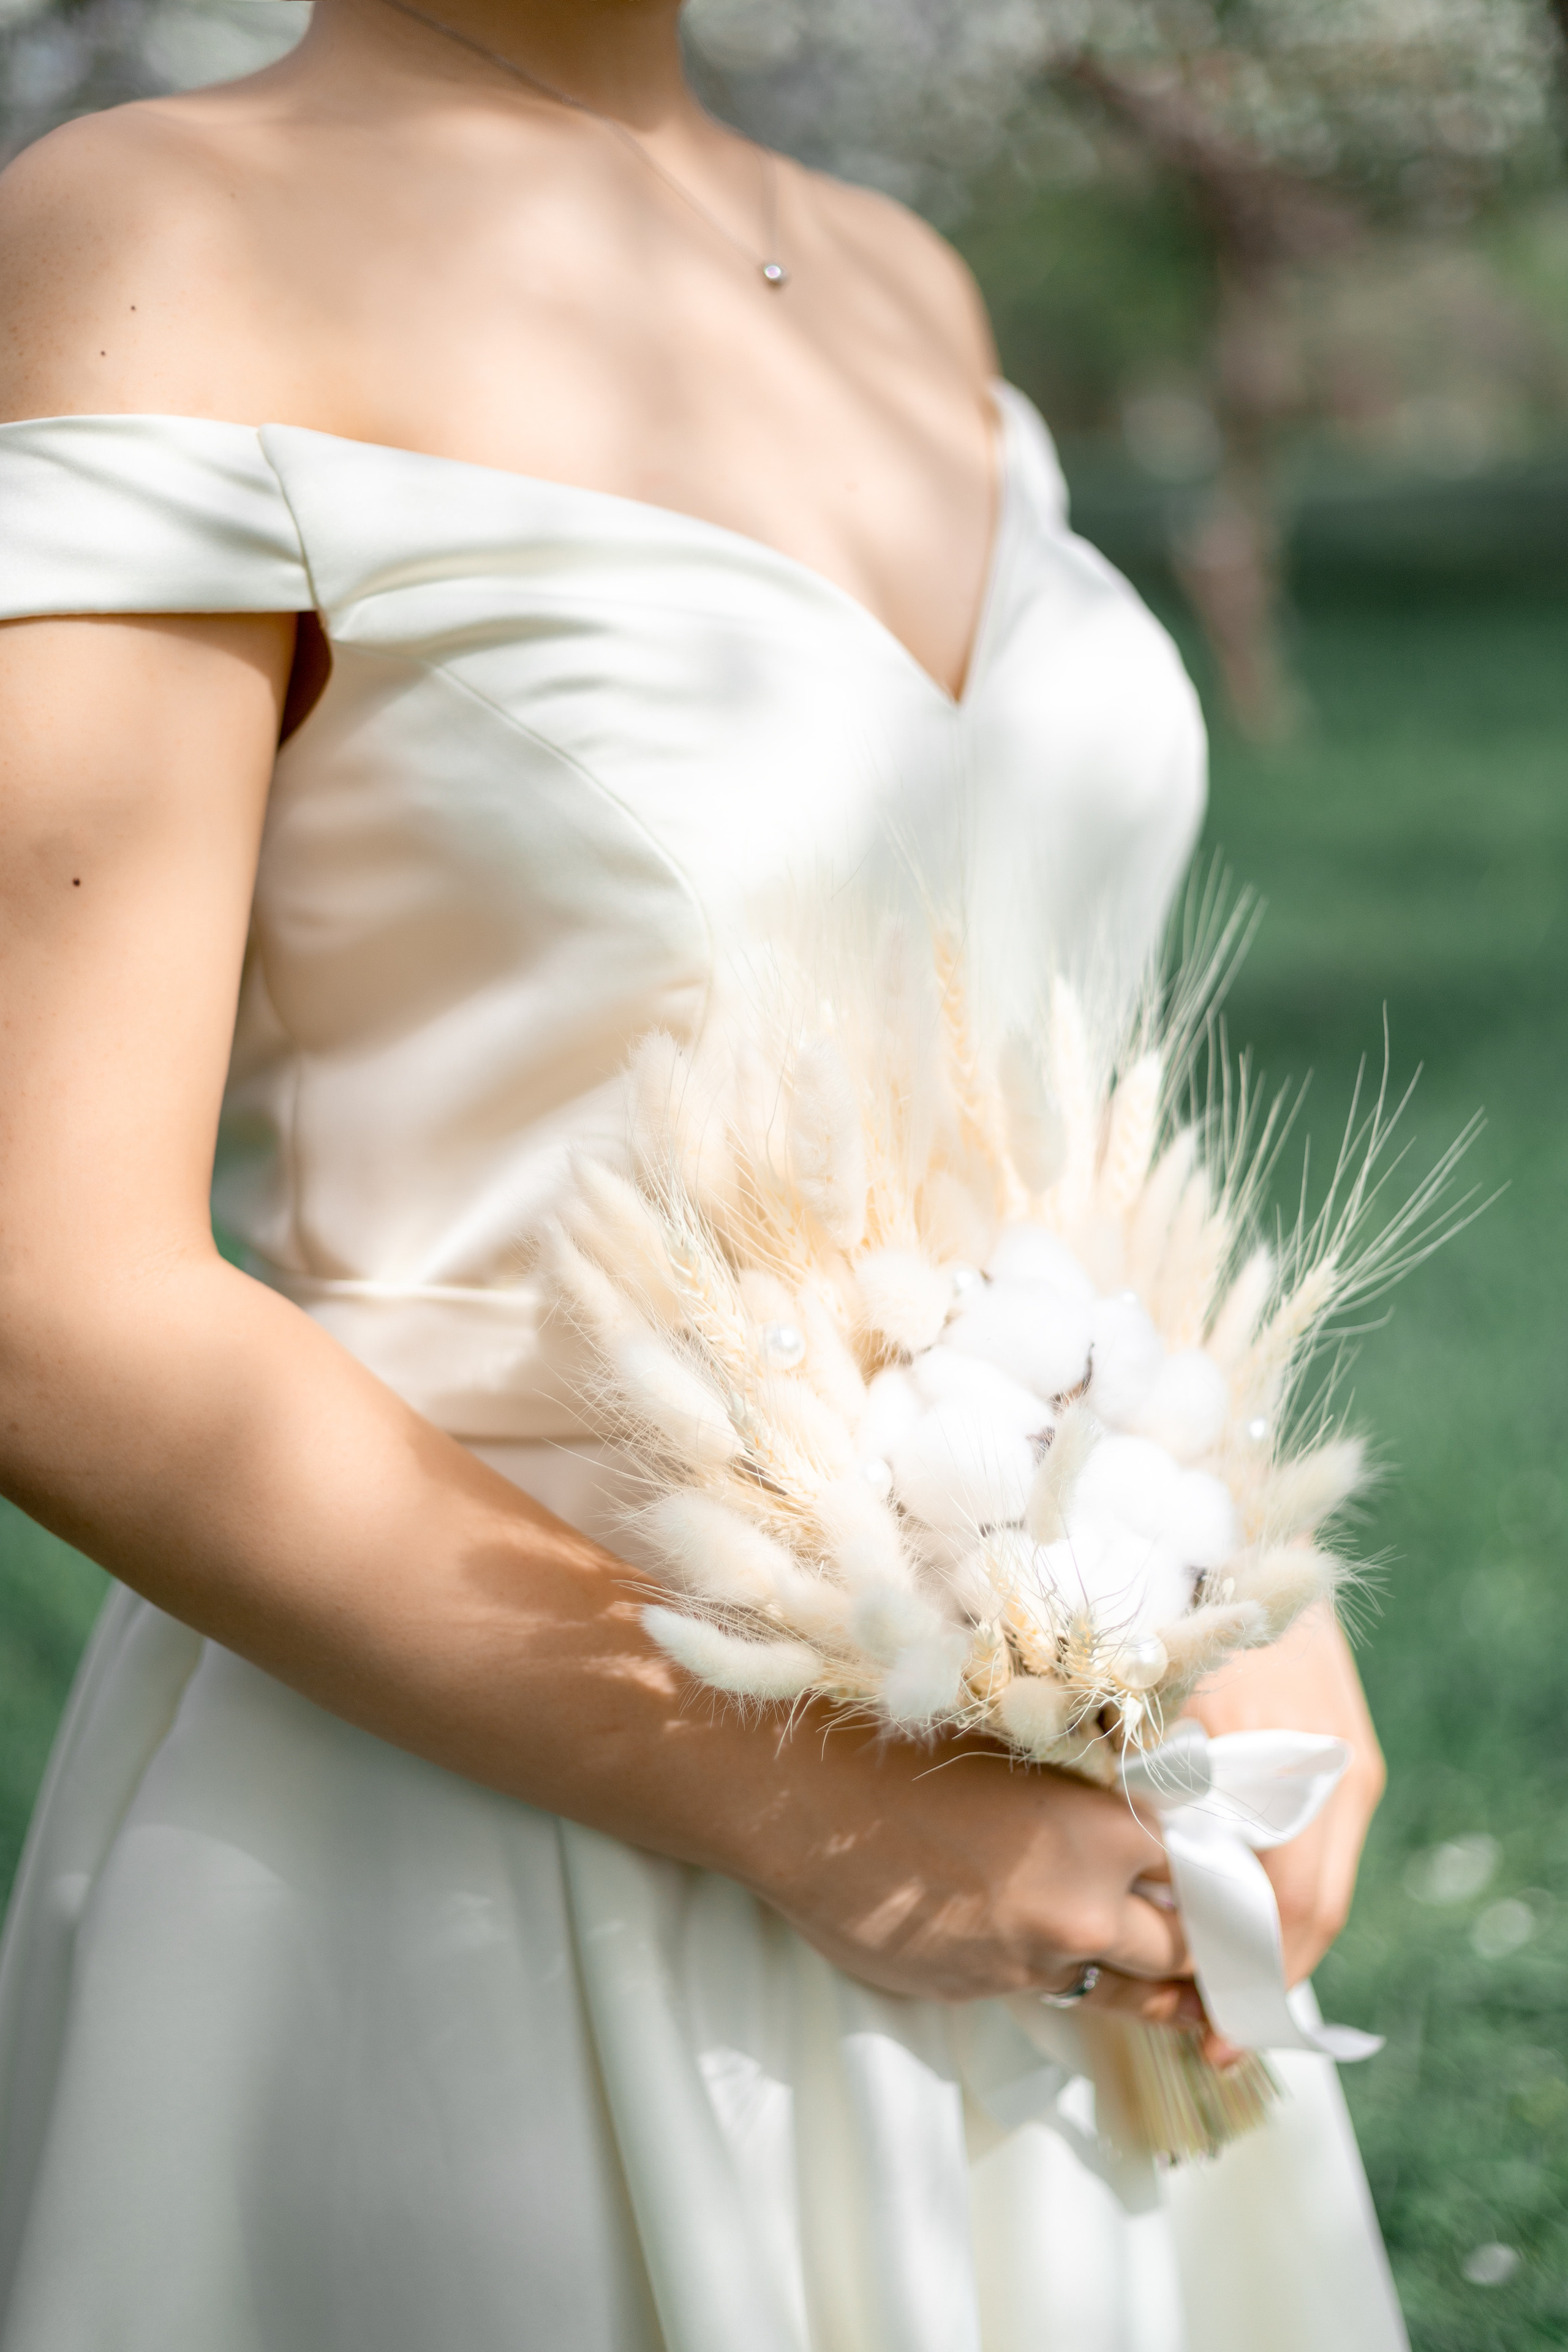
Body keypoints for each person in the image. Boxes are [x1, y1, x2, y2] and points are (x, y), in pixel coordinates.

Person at [0, 1, 1403, 2342]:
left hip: (1085, 1808)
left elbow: (1033, 1049)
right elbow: (48, 1288)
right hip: (482, 1849)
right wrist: (809, 1807)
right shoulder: (159, 238)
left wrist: (1258, 1601)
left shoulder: (896, 272)